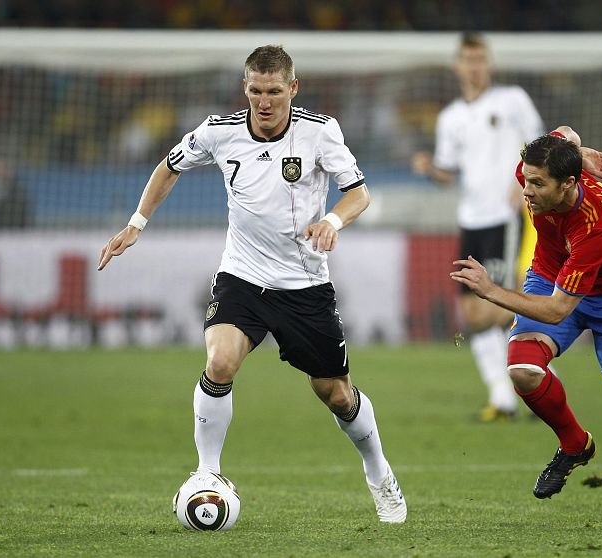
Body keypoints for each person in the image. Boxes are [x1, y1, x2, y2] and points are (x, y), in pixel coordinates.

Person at [97, 45, 406, 524]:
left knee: (337, 394)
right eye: (256, 91)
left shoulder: (320, 132)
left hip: (304, 285)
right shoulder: (217, 133)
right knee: (219, 362)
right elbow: (168, 166)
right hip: (242, 276)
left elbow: (359, 193)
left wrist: (331, 222)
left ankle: (379, 473)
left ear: (292, 89)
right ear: (246, 88)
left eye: (275, 92)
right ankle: (207, 474)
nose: (265, 102)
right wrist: (136, 223)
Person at [451, 126, 602, 523]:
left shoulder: (600, 220)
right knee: (523, 370)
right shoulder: (537, 170)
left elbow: (558, 310)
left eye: (536, 184)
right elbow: (566, 132)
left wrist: (491, 289)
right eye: (526, 179)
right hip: (551, 273)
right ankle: (575, 444)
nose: (525, 191)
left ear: (567, 186)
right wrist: (578, 151)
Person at [412, 32, 544, 422]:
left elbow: (541, 145)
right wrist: (429, 169)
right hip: (471, 220)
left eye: (480, 58)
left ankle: (540, 380)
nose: (474, 66)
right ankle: (505, 398)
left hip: (507, 218)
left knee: (500, 304)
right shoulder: (450, 117)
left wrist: (523, 182)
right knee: (472, 313)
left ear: (489, 63)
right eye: (468, 59)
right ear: (458, 66)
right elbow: (448, 173)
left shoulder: (512, 100)